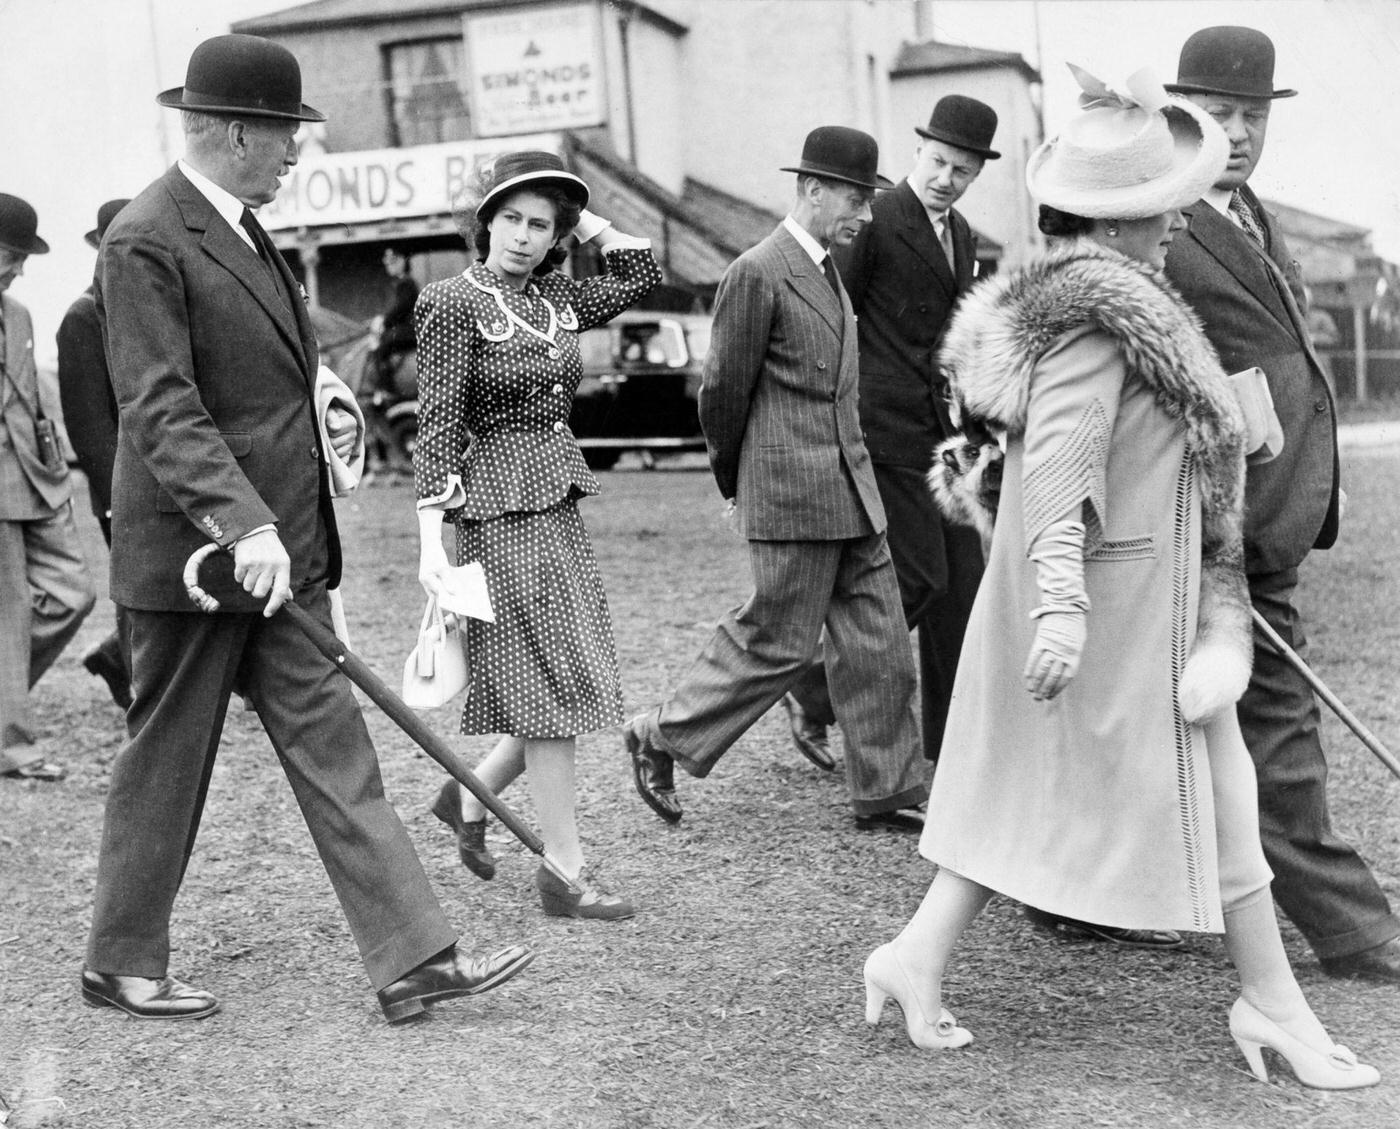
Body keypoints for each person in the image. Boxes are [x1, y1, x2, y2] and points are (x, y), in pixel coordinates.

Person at [863, 69, 1380, 1091]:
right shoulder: (1093, 321)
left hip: (1153, 592)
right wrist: (1057, 607)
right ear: (1114, 219)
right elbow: (1054, 474)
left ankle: (913, 955)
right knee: (1205, 790)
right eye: (1157, 202)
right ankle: (1269, 1002)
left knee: (1039, 780)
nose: (1177, 213)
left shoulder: (1124, 302)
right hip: (1110, 602)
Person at [84, 33, 532, 1024]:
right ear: (238, 133)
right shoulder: (147, 237)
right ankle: (120, 960)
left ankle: (414, 955)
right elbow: (158, 402)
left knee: (336, 748)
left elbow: (259, 381)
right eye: (287, 135)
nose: (299, 152)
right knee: (167, 759)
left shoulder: (241, 228)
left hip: (283, 557)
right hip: (202, 560)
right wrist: (241, 524)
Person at [1162, 25, 1400, 983]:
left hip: (1270, 510)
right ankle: (1353, 927)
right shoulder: (1163, 228)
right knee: (1277, 724)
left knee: (1173, 719)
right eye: (1219, 115)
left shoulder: (1246, 210)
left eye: (1253, 116)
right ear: (1181, 116)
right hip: (1219, 527)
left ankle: (1069, 891)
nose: (1240, 132)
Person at [624, 127, 930, 832]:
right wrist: (738, 486)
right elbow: (722, 392)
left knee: (880, 641)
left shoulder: (826, 269)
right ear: (812, 190)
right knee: (777, 642)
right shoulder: (759, 271)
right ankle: (659, 734)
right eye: (855, 198)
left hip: (854, 493)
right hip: (791, 497)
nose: (864, 213)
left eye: (869, 198)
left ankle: (887, 789)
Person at [417, 150, 661, 920]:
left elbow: (640, 274)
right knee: (550, 683)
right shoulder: (451, 302)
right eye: (512, 218)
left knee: (569, 675)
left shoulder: (557, 297)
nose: (524, 237)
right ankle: (564, 867)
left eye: (542, 225)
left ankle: (467, 794)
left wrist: (579, 205)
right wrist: (431, 541)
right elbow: (435, 425)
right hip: (493, 510)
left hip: (554, 502)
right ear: (486, 221)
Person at [784, 96, 997, 778]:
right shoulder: (876, 220)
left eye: (962, 170)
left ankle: (948, 743)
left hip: (942, 437)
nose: (946, 178)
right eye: (938, 162)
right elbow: (831, 315)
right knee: (920, 577)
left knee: (962, 584)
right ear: (919, 153)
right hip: (880, 429)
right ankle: (813, 684)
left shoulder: (962, 235)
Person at [0, 193, 96, 782]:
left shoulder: (20, 316)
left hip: (37, 478)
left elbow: (32, 400)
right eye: (12, 255)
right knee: (9, 616)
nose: (19, 269)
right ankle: (15, 745)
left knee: (74, 593)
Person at [57, 197, 133, 711]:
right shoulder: (83, 318)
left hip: (156, 481)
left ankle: (116, 655)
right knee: (141, 586)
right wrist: (114, 499)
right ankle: (123, 660)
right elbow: (88, 424)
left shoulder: (134, 307)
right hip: (120, 489)